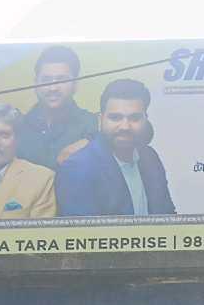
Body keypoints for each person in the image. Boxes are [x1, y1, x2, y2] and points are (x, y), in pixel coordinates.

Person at [55, 78, 176, 217]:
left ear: (145, 119)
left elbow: (168, 216)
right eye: (115, 118)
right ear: (100, 119)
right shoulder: (77, 168)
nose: (125, 126)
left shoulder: (150, 157)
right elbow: (84, 230)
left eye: (134, 118)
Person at [16, 46, 100, 171]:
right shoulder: (18, 127)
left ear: (75, 84)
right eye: (46, 80)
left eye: (62, 80)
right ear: (35, 83)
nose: (53, 88)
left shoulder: (93, 126)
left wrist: (93, 142)